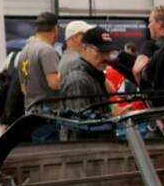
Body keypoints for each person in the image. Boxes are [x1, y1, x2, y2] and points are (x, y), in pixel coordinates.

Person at [20, 12, 62, 140]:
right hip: (48, 115)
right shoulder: (47, 51)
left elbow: (23, 88)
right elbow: (54, 83)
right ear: (55, 29)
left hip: (32, 112)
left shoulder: (25, 50)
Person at [60, 26, 115, 110]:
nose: (106, 57)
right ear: (85, 48)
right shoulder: (78, 80)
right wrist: (111, 115)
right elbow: (78, 119)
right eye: (101, 51)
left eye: (108, 52)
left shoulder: (95, 75)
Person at [134, 5, 164, 83]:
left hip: (161, 93)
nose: (148, 26)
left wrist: (145, 92)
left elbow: (137, 70)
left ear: (160, 24)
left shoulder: (150, 45)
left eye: (150, 22)